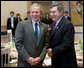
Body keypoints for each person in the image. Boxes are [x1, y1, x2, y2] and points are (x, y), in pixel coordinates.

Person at [47, 3, 77, 67]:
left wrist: (53, 50)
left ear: (61, 12)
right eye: (50, 12)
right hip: (56, 59)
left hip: (65, 61)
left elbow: (67, 44)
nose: (51, 14)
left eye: (54, 12)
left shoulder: (67, 24)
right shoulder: (54, 24)